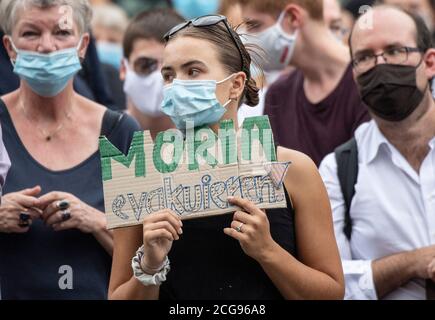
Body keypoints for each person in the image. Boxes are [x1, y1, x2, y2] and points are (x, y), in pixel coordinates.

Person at [108, 14, 345, 300]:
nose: (176, 85)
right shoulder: (141, 176)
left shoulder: (293, 171)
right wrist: (150, 264)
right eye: (169, 75)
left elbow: (331, 293)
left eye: (193, 71)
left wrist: (267, 251)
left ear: (236, 84)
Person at [0, 0, 139, 299]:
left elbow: (150, 260)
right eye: (30, 33)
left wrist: (96, 220)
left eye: (62, 32)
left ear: (83, 44)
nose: (47, 47)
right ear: (10, 48)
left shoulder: (120, 132)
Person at [319, 5, 435, 299]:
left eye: (395, 51)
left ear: (430, 62)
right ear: (354, 74)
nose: (380, 65)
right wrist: (413, 263)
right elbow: (333, 285)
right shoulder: (339, 170)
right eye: (365, 57)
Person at [240, 0, 370, 166]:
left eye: (255, 26)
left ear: (293, 17)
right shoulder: (278, 95)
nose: (248, 41)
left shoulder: (368, 81)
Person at [121, 8, 183, 138]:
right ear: (123, 68)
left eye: (170, 70)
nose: (158, 77)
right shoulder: (99, 137)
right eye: (146, 65)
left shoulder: (204, 145)